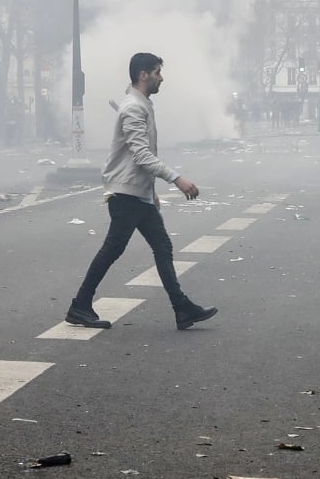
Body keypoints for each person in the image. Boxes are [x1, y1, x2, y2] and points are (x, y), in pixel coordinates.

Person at [64, 52, 218, 332]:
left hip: (136, 193)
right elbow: (141, 155)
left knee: (160, 247)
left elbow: (141, 159)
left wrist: (150, 192)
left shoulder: (140, 104)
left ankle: (181, 308)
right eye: (158, 72)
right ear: (143, 74)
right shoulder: (134, 108)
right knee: (115, 249)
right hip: (126, 195)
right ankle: (81, 305)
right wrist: (176, 179)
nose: (162, 77)